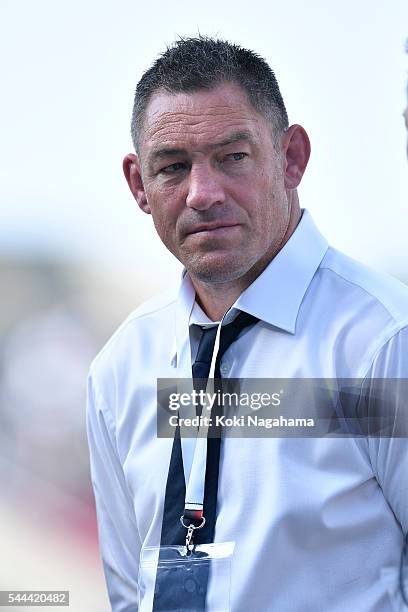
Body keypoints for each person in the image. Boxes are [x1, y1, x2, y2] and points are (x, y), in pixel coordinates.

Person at [86, 37, 408, 611]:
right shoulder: (121, 367)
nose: (203, 194)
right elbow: (127, 595)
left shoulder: (381, 344)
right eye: (173, 167)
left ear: (291, 158)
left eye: (233, 157)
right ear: (139, 185)